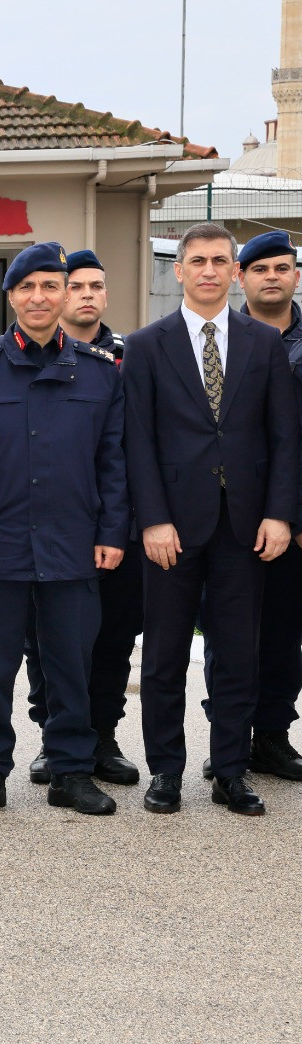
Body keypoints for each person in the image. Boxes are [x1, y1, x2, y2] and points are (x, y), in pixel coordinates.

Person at [0, 242, 128, 818]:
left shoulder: (99, 371)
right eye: (27, 287)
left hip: (73, 543)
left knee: (71, 664)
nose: (39, 297)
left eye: (51, 286)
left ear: (66, 293)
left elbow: (113, 461)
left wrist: (112, 531)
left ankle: (71, 772)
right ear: (11, 296)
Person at [125, 222, 299, 816]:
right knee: (164, 656)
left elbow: (284, 437)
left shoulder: (263, 343)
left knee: (238, 654)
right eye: (196, 260)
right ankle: (165, 771)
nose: (208, 270)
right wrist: (152, 519)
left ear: (234, 271)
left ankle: (230, 770)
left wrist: (279, 514)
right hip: (171, 527)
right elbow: (138, 441)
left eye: (219, 260)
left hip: (244, 527)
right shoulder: (146, 345)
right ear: (178, 270)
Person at [21, 249, 142, 788]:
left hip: (118, 525)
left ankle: (103, 736)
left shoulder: (132, 356)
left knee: (113, 638)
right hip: (51, 527)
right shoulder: (30, 356)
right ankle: (55, 738)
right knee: (45, 641)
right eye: (77, 286)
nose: (87, 294)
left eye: (97, 285)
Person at [193, 231, 302, 782]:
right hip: (231, 516)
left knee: (283, 632)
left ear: (296, 276)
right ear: (242, 277)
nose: (272, 277)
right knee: (227, 631)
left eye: (282, 268)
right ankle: (229, 737)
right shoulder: (221, 340)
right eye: (260, 269)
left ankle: (273, 737)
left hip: (291, 519)